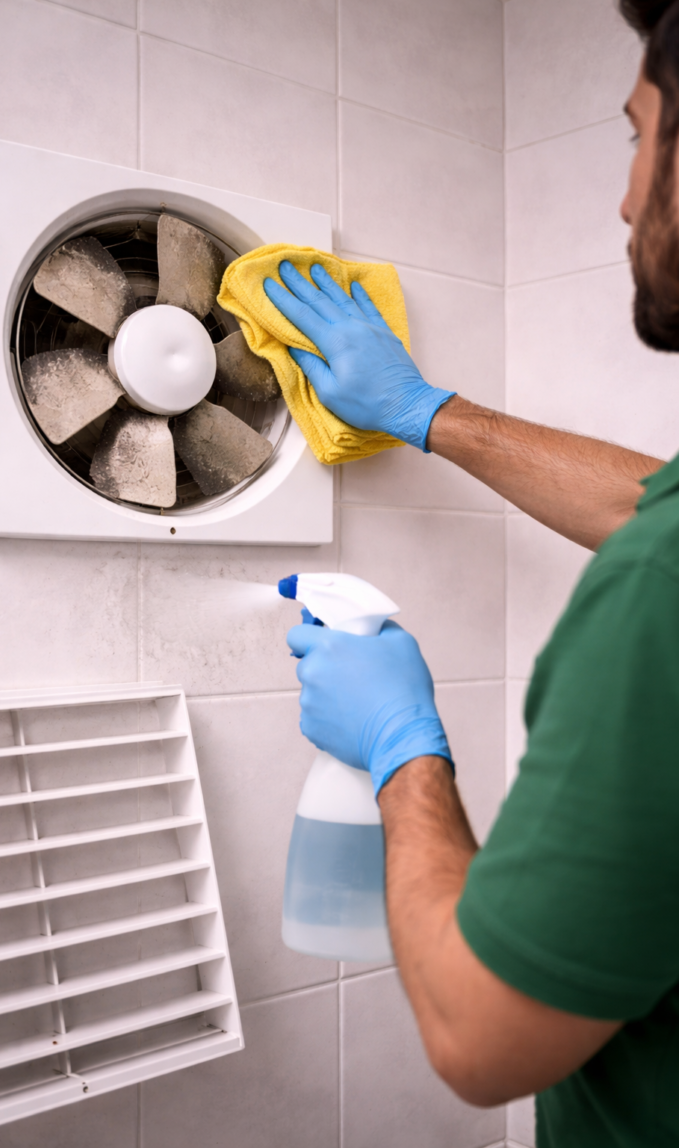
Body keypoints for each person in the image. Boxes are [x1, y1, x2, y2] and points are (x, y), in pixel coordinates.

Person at [263, 2, 679, 1145]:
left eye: (641, 136)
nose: (626, 198)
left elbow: (479, 1036)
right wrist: (425, 410)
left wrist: (404, 752)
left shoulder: (660, 589)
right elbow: (651, 498)